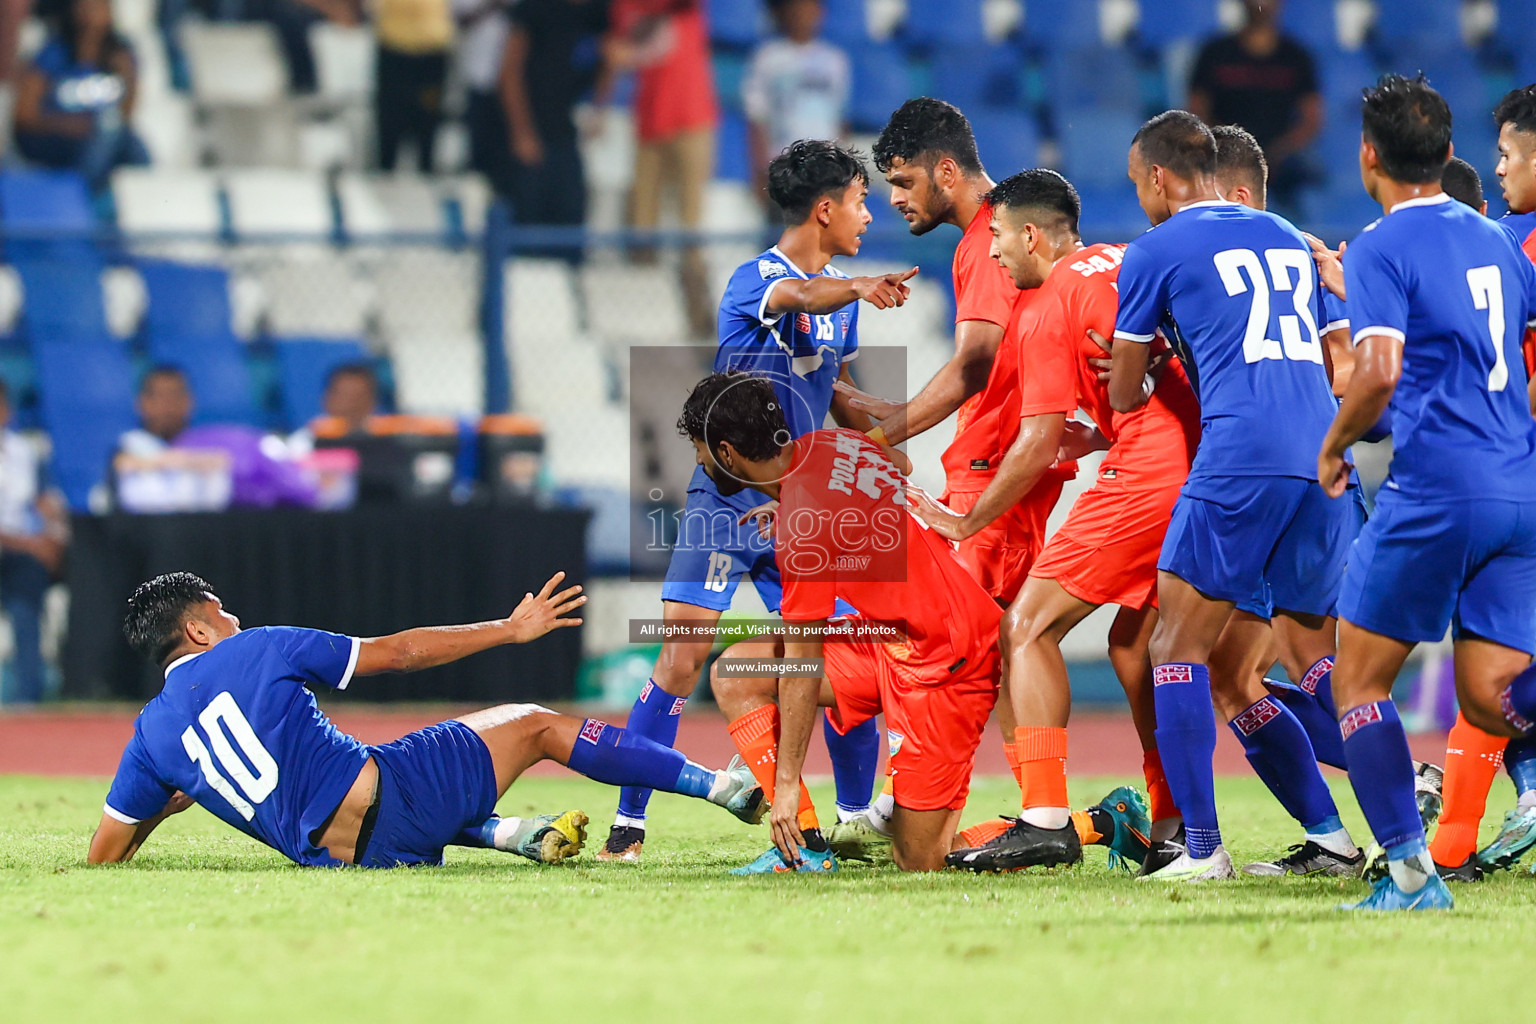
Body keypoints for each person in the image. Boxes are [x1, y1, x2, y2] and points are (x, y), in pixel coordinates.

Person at [594, 140, 913, 863]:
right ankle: (630, 825)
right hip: (725, 500)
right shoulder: (755, 280)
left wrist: (902, 426)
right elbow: (798, 296)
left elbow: (836, 391)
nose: (870, 214)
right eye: (862, 201)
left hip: (804, 506)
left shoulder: (841, 303)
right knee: (682, 659)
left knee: (829, 659)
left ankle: (850, 820)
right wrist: (860, 287)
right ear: (825, 209)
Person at [88, 571, 766, 868]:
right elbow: (401, 653)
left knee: (388, 763)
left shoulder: (151, 737)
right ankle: (719, 786)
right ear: (201, 630)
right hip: (397, 800)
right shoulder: (256, 646)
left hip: (347, 861)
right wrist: (509, 628)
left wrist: (170, 804)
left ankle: (508, 834)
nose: (234, 619)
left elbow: (105, 854)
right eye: (222, 611)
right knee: (537, 725)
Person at [922, 170, 1199, 873]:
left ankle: (1045, 818)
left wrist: (964, 522)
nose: (992, 256)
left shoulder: (1048, 301)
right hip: (1207, 462)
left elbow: (1036, 440)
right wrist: (1100, 432)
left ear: (1031, 235)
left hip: (1148, 475)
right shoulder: (1122, 260)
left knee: (1028, 626)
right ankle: (1174, 827)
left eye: (997, 239)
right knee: (1140, 650)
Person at [1106, 110, 1355, 882]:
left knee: (1170, 648)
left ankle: (1204, 852)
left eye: (1135, 183)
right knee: (1243, 670)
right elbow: (1333, 352)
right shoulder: (1285, 232)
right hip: (1321, 459)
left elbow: (1120, 392)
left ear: (1157, 178)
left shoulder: (1153, 250)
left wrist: (1145, 365)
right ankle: (1341, 842)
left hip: (1239, 458)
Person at [1318, 75, 1536, 912]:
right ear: (1450, 155)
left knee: (1359, 684)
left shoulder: (1380, 246)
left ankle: (1411, 878)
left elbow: (1377, 371)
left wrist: (1335, 445)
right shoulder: (1499, 244)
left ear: (1367, 155)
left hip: (1439, 488)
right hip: (1518, 489)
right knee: (1493, 695)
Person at [681, 372, 1001, 872]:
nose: (699, 462)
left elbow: (803, 665)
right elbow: (898, 463)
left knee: (922, 863)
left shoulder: (800, 526)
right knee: (734, 672)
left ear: (726, 452)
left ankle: (1082, 824)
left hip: (945, 660)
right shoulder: (830, 443)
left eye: (700, 450)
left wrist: (785, 782)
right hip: (890, 641)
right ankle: (803, 847)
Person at [607, 0, 718, 336]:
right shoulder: (625, 6)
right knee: (642, 220)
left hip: (691, 116)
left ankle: (701, 319)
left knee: (690, 227)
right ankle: (647, 315)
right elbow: (619, 50)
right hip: (651, 119)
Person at [1187, 0, 1321, 209]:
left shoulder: (1296, 57)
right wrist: (1226, 149)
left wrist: (1279, 152)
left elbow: (1312, 119)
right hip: (1222, 161)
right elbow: (1197, 112)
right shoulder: (1215, 53)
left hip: (1282, 165)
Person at [499, 0, 610, 241]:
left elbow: (610, 56)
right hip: (530, 131)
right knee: (527, 225)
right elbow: (509, 71)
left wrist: (599, 108)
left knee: (571, 218)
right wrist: (521, 134)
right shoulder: (534, 7)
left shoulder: (598, 10)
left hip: (566, 132)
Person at [13, 0, 149, 191]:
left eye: (99, 7)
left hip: (99, 137)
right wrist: (68, 124)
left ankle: (132, 206)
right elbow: (24, 116)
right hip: (54, 138)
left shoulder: (119, 56)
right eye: (86, 6)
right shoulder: (53, 53)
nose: (92, 14)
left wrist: (127, 75)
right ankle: (83, 201)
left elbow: (125, 115)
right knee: (103, 136)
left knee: (133, 147)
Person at [741, 0, 849, 211]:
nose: (803, 14)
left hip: (823, 169)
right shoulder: (767, 58)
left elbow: (840, 118)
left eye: (809, 8)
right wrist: (760, 171)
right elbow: (756, 117)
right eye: (797, 8)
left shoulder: (835, 60)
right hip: (784, 165)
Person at [0, 380, 68, 705]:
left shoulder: (25, 453)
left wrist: (54, 538)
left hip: (17, 555)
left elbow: (47, 504)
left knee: (27, 597)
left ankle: (29, 697)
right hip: (15, 544)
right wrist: (29, 544)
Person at [374, 0, 454, 172]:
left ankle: (428, 177)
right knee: (390, 124)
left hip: (433, 52)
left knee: (428, 123)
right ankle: (384, 178)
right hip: (394, 48)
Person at [454, 0, 513, 197]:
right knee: (477, 148)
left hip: (516, 83)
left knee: (507, 151)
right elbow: (459, 20)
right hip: (479, 76)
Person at [117, 365, 192, 458]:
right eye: (160, 396)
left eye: (175, 395)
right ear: (142, 402)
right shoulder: (130, 446)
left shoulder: (206, 446)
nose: (168, 403)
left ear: (189, 401)